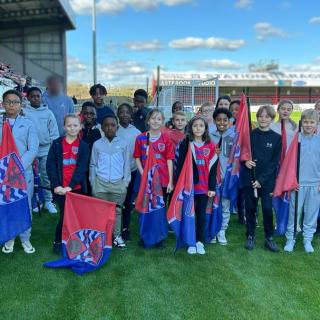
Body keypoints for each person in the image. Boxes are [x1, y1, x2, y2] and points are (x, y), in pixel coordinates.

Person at [1, 90, 39, 254]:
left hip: (22, 173)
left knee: (25, 205)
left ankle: (25, 238)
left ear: (20, 104)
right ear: (3, 104)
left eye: (15, 101)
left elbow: (33, 149)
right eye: (8, 101)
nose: (11, 104)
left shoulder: (28, 124)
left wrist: (16, 167)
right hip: (3, 175)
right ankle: (9, 238)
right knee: (6, 205)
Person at [46, 114, 89, 254]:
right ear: (64, 127)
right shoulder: (57, 144)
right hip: (60, 189)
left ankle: (76, 240)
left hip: (76, 188)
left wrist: (70, 186)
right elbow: (50, 165)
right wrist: (57, 185)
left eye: (75, 125)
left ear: (80, 127)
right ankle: (58, 240)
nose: (72, 128)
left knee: (77, 216)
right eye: (69, 125)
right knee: (64, 216)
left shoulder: (84, 146)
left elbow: (82, 168)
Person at [176, 115, 217, 255]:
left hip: (204, 188)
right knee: (189, 215)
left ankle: (199, 241)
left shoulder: (210, 146)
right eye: (195, 125)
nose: (198, 128)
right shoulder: (186, 143)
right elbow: (180, 165)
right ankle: (190, 242)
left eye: (201, 125)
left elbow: (213, 169)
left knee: (201, 216)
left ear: (205, 128)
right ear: (190, 128)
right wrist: (178, 185)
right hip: (189, 187)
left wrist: (212, 187)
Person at [133, 108, 174, 247]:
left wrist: (170, 180)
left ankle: (160, 237)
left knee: (159, 209)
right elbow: (137, 157)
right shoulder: (141, 138)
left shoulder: (166, 138)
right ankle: (144, 235)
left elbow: (169, 159)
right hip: (147, 180)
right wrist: (143, 172)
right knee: (145, 208)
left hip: (161, 180)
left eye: (159, 119)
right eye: (153, 118)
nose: (156, 121)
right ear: (148, 120)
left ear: (162, 122)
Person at [243, 105, 281, 252]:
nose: (263, 119)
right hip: (250, 178)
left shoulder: (277, 138)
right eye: (260, 116)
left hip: (266, 181)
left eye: (266, 116)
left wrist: (261, 180)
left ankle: (269, 237)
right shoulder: (250, 135)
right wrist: (246, 161)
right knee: (251, 208)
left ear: (272, 119)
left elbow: (273, 163)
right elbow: (243, 153)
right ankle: (250, 235)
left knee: (266, 208)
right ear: (257, 117)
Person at [90, 114, 131, 249]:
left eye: (112, 125)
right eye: (106, 125)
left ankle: (116, 236)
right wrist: (93, 182)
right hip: (100, 184)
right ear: (102, 128)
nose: (109, 128)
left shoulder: (123, 144)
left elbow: (126, 165)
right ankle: (100, 236)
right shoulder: (97, 144)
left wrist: (125, 183)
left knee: (116, 211)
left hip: (118, 184)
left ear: (117, 127)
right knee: (99, 211)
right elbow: (93, 164)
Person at [284, 109, 320, 253]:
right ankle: (290, 239)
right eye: (305, 122)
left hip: (315, 184)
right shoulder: (296, 139)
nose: (308, 125)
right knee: (294, 213)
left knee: (311, 213)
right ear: (301, 123)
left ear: (317, 124)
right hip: (298, 184)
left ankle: (307, 239)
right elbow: (289, 162)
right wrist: (292, 181)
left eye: (312, 122)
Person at [24, 86, 59, 214]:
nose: (36, 98)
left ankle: (49, 201)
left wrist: (52, 149)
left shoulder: (48, 112)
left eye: (38, 96)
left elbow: (54, 133)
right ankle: (34, 201)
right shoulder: (24, 112)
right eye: (32, 96)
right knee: (30, 177)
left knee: (46, 176)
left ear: (41, 97)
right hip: (29, 150)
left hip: (45, 150)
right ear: (28, 98)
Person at [210, 108, 235, 245]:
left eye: (225, 120)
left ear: (229, 121)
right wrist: (212, 152)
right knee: (212, 204)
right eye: (219, 120)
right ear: (214, 121)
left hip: (227, 178)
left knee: (225, 205)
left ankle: (222, 230)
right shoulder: (209, 135)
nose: (222, 122)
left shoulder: (234, 136)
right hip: (212, 178)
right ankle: (212, 229)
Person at [116, 103, 141, 241]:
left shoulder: (136, 133)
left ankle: (125, 228)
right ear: (117, 114)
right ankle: (114, 227)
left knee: (127, 200)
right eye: (121, 112)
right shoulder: (114, 130)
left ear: (131, 114)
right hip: (116, 173)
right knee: (117, 201)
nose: (124, 114)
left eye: (127, 112)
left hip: (131, 171)